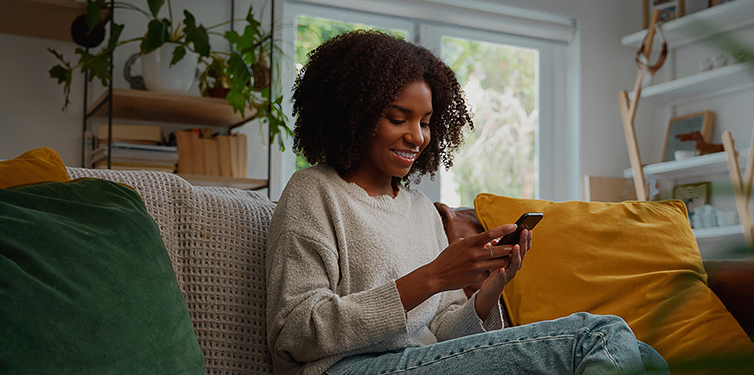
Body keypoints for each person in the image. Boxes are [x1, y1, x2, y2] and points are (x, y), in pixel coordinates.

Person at [266, 30, 668, 375]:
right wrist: (432, 277)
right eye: (398, 118)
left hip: (419, 361)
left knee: (645, 357)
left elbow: (440, 332)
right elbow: (295, 332)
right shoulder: (313, 192)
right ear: (354, 113)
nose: (417, 137)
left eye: (425, 122)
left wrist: (493, 287)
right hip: (349, 368)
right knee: (602, 336)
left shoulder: (420, 209)